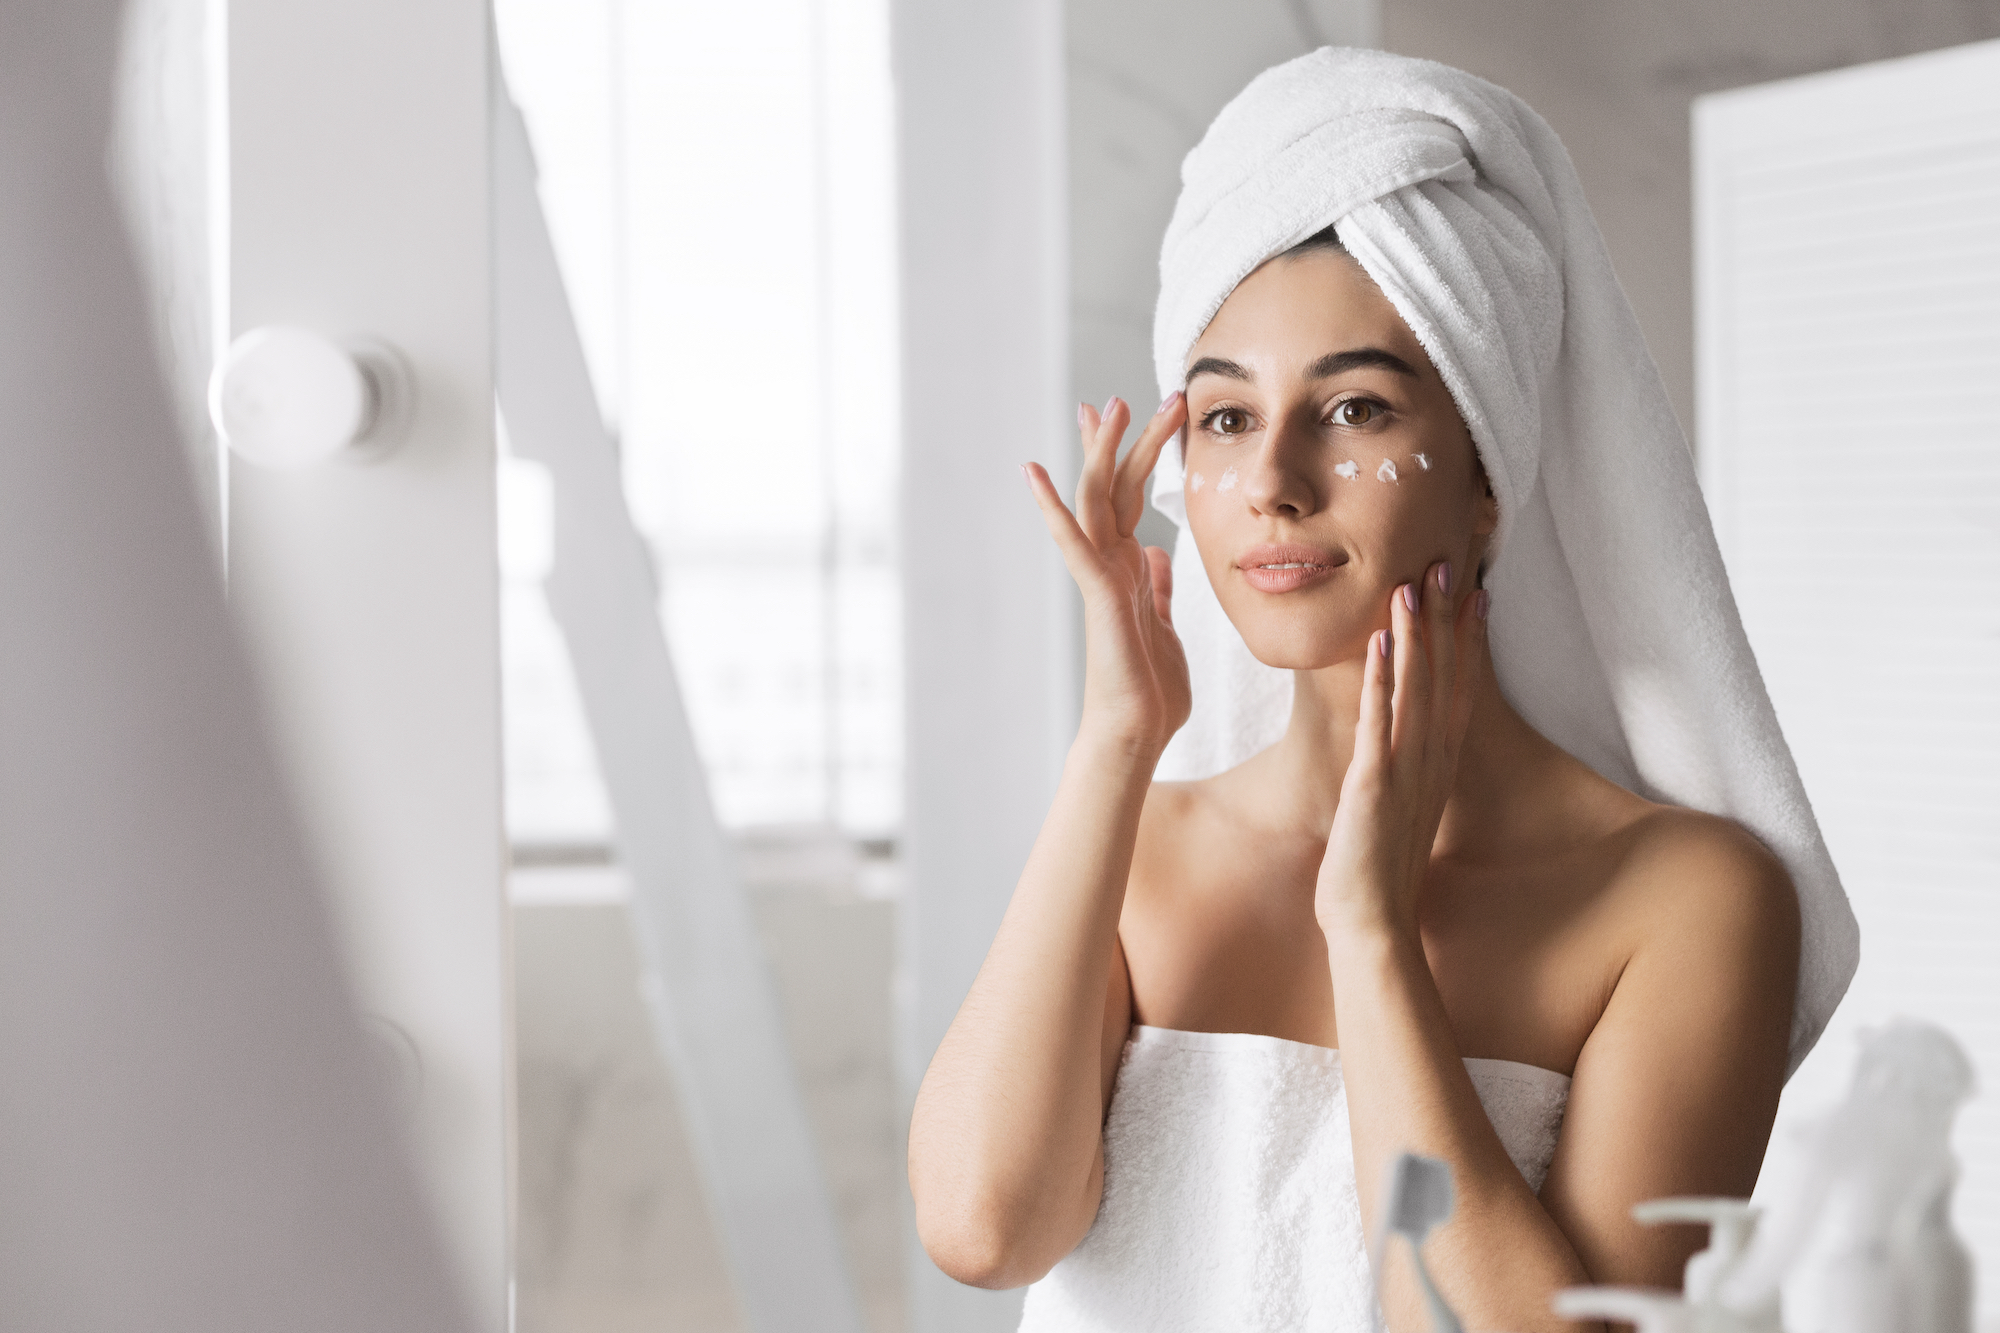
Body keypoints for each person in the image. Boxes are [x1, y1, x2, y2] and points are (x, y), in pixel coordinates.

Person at [906, 48, 1857, 1333]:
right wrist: (1115, 741)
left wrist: (1371, 930)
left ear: (1485, 476)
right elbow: (982, 1229)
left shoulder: (1685, 900)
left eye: (1353, 409)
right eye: (1228, 420)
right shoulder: (1139, 844)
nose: (1274, 483)